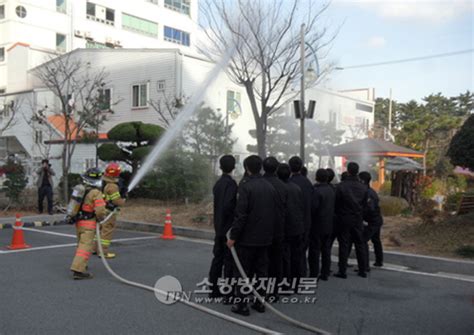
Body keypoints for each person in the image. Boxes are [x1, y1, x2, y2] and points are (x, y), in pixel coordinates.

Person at [227, 155, 277, 316]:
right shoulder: (269, 187)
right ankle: (260, 302)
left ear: (247, 168)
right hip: (265, 238)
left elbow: (241, 215)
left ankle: (241, 305)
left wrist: (233, 237)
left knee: (243, 272)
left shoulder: (246, 187)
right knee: (261, 270)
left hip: (247, 239)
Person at [208, 155, 238, 300]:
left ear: (220, 167)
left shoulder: (218, 183)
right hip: (227, 229)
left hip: (218, 226)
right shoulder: (231, 184)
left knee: (217, 258)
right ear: (233, 167)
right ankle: (227, 292)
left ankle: (213, 289)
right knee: (228, 261)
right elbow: (228, 206)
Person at [70, 168, 106, 280]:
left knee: (80, 244)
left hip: (79, 222)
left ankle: (81, 264)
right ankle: (78, 270)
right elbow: (100, 210)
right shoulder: (96, 193)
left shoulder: (82, 189)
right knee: (85, 247)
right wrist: (101, 218)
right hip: (88, 223)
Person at [334, 162, 368, 279]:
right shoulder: (363, 187)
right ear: (357, 171)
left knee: (344, 244)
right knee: (360, 244)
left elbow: (336, 203)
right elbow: (364, 204)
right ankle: (362, 270)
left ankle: (342, 271)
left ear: (348, 171)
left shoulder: (341, 186)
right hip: (357, 218)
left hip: (344, 218)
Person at [262, 157, 287, 299]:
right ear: (276, 168)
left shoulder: (258, 183)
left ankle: (261, 290)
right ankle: (274, 290)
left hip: (260, 230)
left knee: (261, 261)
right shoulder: (282, 185)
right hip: (278, 228)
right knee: (276, 260)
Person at [277, 163, 305, 287]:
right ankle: (297, 281)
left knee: (284, 256)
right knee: (296, 255)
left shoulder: (279, 188)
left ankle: (285, 282)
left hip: (284, 227)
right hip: (297, 226)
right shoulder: (296, 188)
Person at [94, 163, 126, 259]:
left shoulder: (103, 183)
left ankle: (95, 248)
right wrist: (123, 199)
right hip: (109, 212)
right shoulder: (113, 186)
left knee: (99, 230)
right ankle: (103, 252)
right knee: (107, 230)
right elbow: (117, 201)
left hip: (102, 210)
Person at [308, 169, 335, 281]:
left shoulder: (316, 191)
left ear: (316, 177)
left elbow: (313, 208)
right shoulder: (331, 190)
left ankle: (314, 274)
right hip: (329, 224)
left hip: (317, 225)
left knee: (314, 251)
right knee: (326, 250)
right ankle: (325, 272)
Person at [289, 156, 313, 276]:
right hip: (306, 222)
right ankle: (301, 277)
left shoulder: (289, 183)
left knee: (291, 253)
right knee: (301, 253)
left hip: (292, 223)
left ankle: (291, 279)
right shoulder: (308, 183)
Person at [359, 171, 384, 269]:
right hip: (376, 220)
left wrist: (362, 217)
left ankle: (365, 265)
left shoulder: (368, 192)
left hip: (372, 221)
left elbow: (370, 208)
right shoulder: (371, 191)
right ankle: (379, 261)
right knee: (376, 240)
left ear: (362, 180)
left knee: (363, 240)